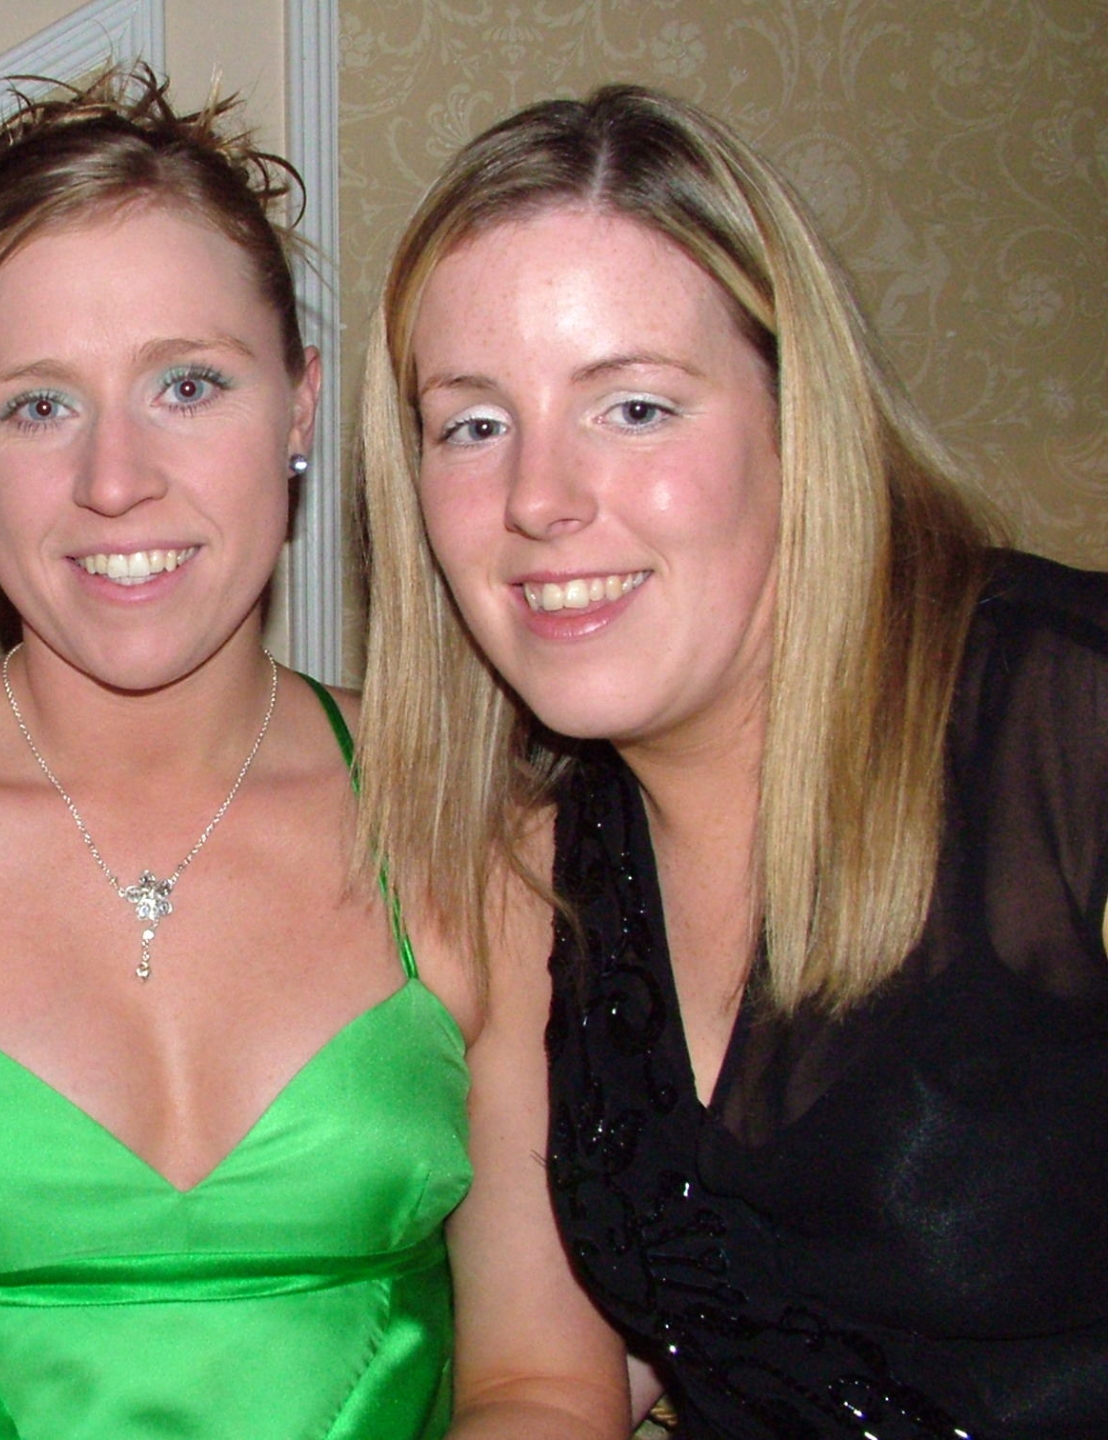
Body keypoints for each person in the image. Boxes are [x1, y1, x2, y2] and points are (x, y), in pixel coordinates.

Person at [0, 67, 627, 1439]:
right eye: (38, 406)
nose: (115, 481)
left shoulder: (487, 834)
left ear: (299, 408)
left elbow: (545, 1388)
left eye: (188, 384)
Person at [358, 81, 1107, 1440]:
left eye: (635, 408)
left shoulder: (1066, 730)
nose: (537, 499)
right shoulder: (545, 868)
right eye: (475, 424)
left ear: (797, 415)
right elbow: (545, 1388)